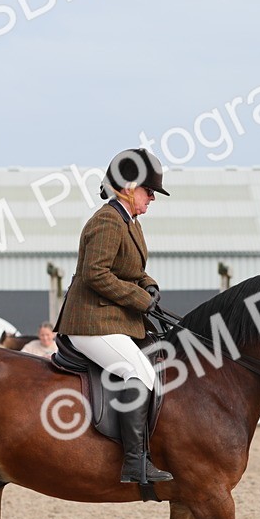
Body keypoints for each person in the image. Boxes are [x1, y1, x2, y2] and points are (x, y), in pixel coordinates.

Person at [54, 148, 172, 484]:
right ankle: (134, 462)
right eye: (148, 191)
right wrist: (138, 298)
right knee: (139, 372)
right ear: (128, 185)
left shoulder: (129, 222)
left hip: (112, 320)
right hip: (91, 322)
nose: (151, 198)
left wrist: (149, 287)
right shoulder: (107, 220)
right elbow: (95, 274)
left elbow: (134, 270)